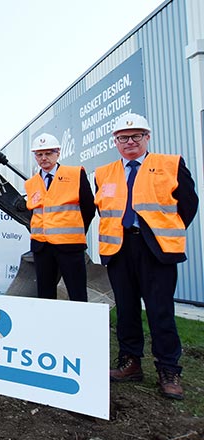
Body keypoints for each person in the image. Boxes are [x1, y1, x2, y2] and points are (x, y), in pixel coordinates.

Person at [97, 113, 198, 400]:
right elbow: (106, 209)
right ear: (115, 141)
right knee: (126, 310)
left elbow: (188, 204)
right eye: (123, 138)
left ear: (147, 137)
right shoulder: (103, 173)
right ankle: (130, 362)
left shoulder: (170, 164)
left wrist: (164, 231)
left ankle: (169, 369)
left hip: (156, 250)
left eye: (136, 136)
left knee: (160, 310)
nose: (129, 142)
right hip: (119, 248)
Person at [22, 133, 95, 302]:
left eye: (48, 153)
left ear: (58, 153)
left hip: (70, 245)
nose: (43, 158)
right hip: (42, 247)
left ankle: (80, 327)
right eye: (39, 154)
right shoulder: (31, 183)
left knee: (77, 292)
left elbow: (88, 208)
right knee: (45, 294)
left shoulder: (75, 174)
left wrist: (74, 231)